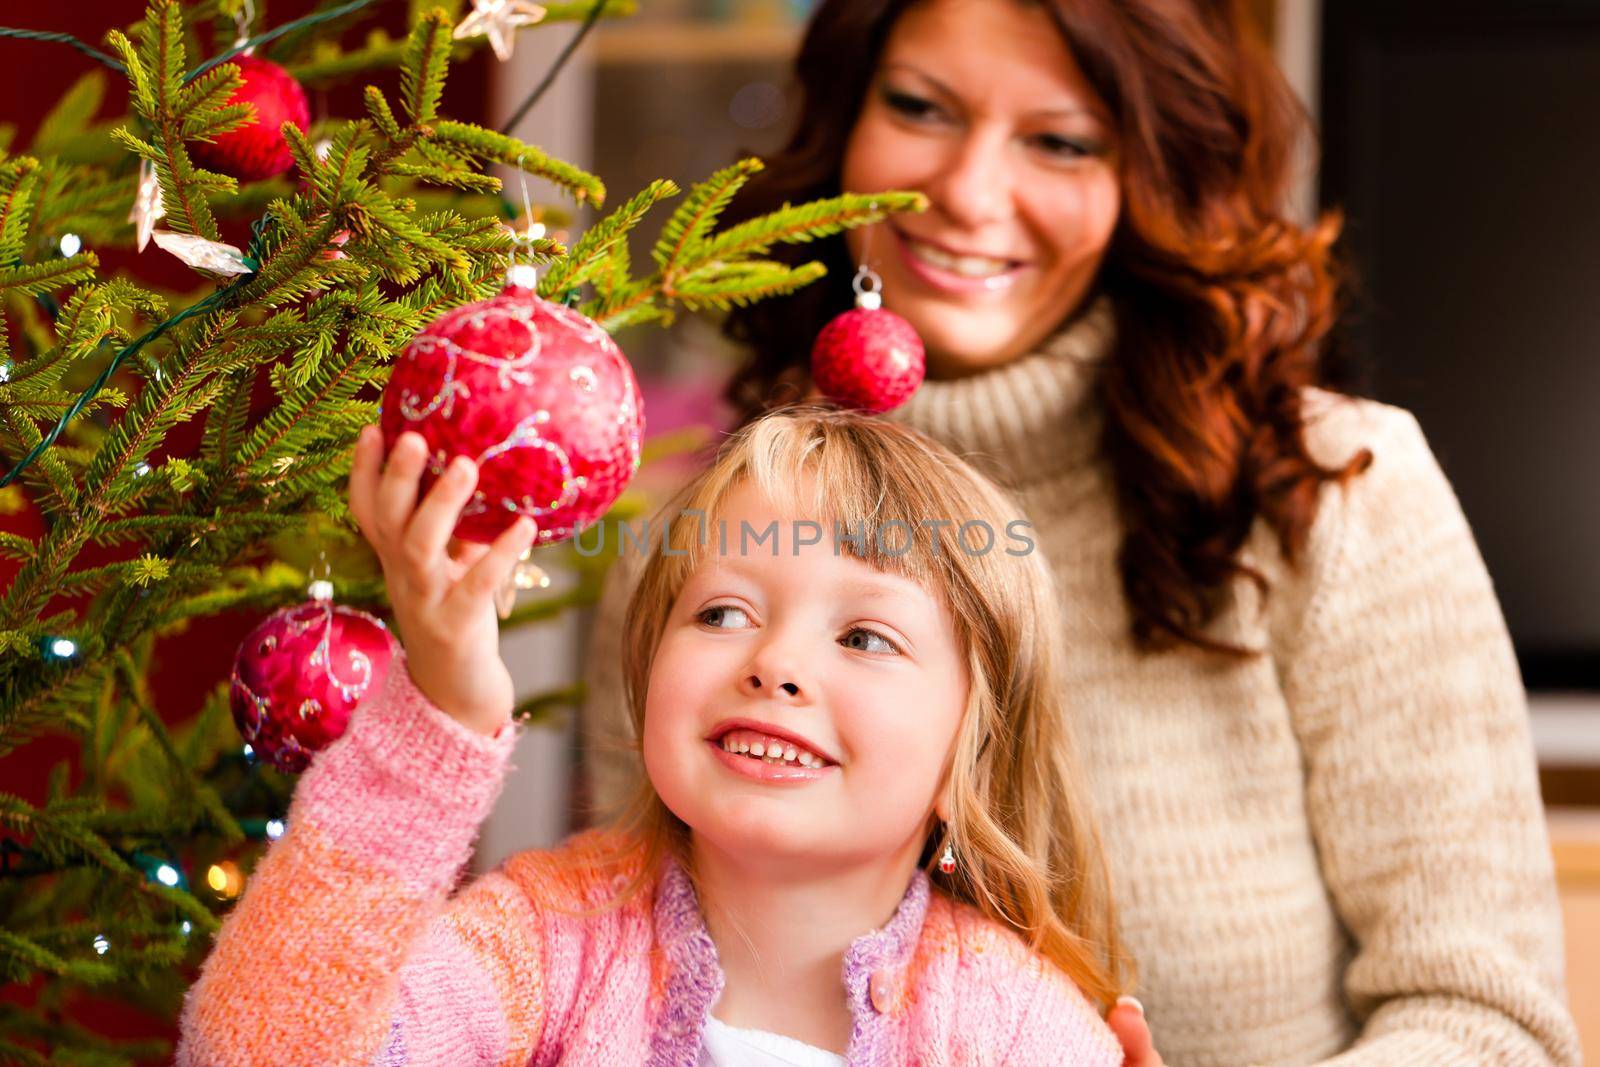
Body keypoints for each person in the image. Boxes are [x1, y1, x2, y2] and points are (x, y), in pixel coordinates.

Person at [578, 1, 1581, 1064]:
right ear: (842, 127)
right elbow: (609, 967)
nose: (967, 192)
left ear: (1153, 179)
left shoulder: (1331, 491)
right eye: (920, 108)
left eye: (1060, 141)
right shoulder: (703, 539)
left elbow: (1491, 1024)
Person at [175, 410, 1132, 1065]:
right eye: (721, 612)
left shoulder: (1020, 1028)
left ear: (975, 744)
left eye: (864, 636)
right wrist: (440, 715)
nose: (774, 663)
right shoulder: (545, 943)